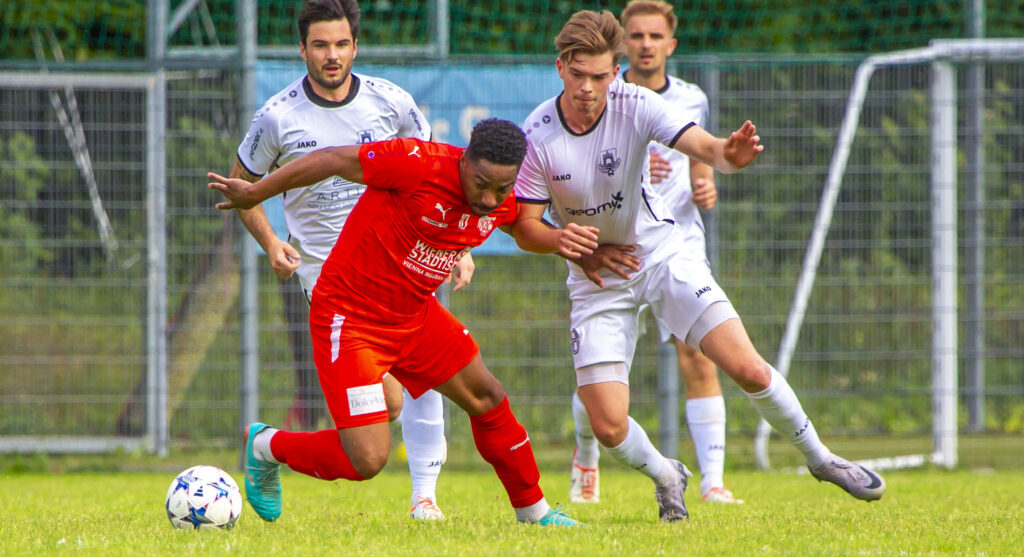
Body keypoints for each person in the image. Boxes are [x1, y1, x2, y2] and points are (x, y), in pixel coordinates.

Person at [509, 10, 885, 522]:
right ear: (560, 68)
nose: (588, 89)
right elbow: (525, 225)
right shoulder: (537, 133)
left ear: (615, 73)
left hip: (662, 254)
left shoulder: (636, 103)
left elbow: (705, 148)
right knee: (609, 427)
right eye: (578, 75)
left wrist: (729, 156)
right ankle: (667, 474)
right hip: (597, 280)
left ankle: (821, 459)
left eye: (600, 76)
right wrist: (565, 243)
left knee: (747, 366)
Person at [209, 117, 580, 527]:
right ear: (465, 160)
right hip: (350, 320)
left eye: (502, 189)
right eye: (482, 184)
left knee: (486, 396)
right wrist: (257, 192)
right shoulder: (416, 163)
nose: (490, 199)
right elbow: (332, 158)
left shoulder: (499, 199)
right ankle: (266, 445)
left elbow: (521, 227)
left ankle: (534, 512)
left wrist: (564, 243)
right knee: (367, 458)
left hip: (413, 316)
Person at [229, 0, 462, 520]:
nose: (331, 56)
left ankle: (424, 498)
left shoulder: (392, 103)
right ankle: (268, 446)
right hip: (330, 279)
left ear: (355, 46)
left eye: (340, 44)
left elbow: (434, 177)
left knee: (419, 377)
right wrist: (271, 242)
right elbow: (243, 190)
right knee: (386, 411)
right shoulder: (277, 116)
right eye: (319, 45)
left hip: (399, 263)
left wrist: (456, 247)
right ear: (302, 49)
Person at [568, 0, 741, 506]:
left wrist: (705, 187)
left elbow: (702, 160)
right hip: (615, 249)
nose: (645, 44)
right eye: (636, 36)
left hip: (676, 243)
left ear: (671, 44)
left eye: (654, 36)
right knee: (604, 375)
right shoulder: (599, 99)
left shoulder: (691, 99)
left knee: (700, 355)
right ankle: (586, 458)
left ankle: (712, 481)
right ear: (623, 48)